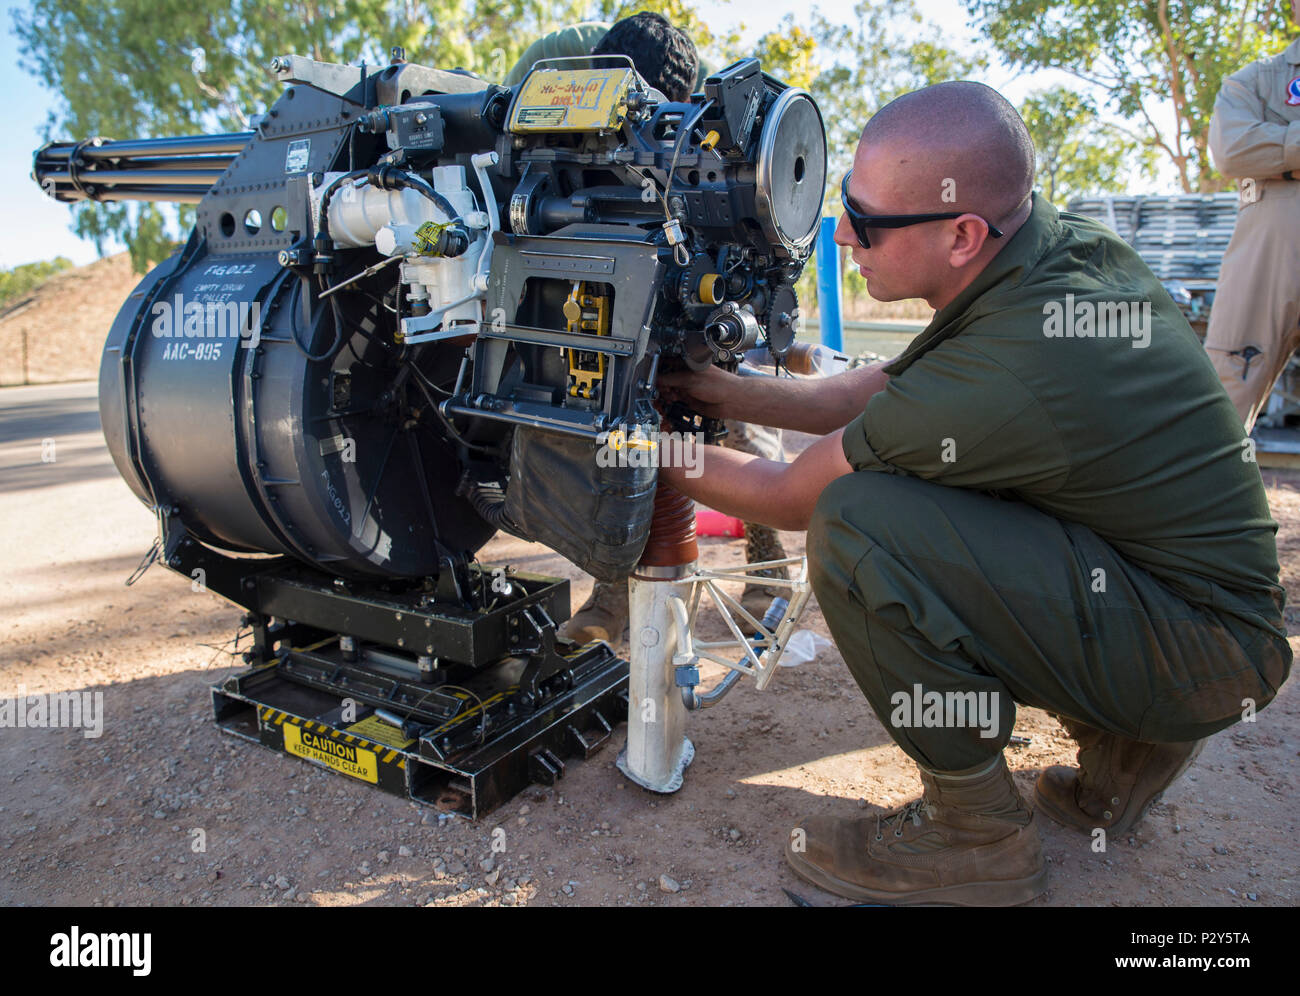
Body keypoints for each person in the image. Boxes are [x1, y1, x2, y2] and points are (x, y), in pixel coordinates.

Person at [656, 80, 1292, 906]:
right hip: (1198, 615)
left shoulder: (1011, 368)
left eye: (868, 221)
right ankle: (1130, 745)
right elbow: (854, 397)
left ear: (960, 233)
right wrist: (703, 388)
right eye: (847, 202)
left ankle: (973, 835)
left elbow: (784, 494)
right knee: (940, 488)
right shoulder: (1043, 253)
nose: (843, 232)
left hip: (1199, 649)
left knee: (859, 521)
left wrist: (627, 442)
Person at [505, 12, 790, 644]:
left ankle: (769, 568)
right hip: (586, 262)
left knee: (721, 392)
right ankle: (614, 591)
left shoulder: (690, 105)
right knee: (604, 411)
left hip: (684, 263)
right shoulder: (552, 69)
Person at [1202, 1, 1300, 430]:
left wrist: (1281, 155)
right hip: (1268, 248)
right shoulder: (1254, 82)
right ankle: (1204, 495)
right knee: (1232, 373)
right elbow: (1233, 150)